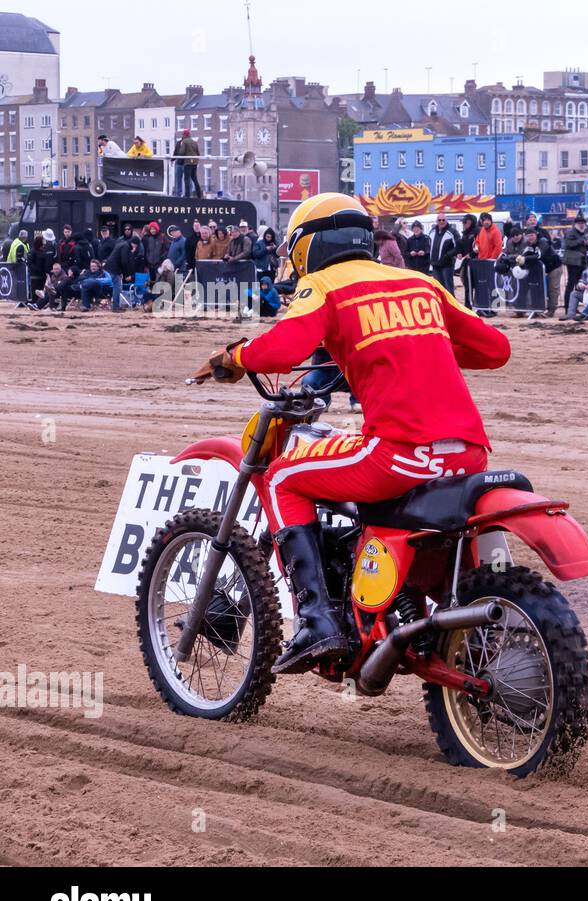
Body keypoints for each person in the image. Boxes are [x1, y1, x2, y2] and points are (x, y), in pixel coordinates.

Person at [190, 193, 511, 674]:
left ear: (306, 247)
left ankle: (318, 621)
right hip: (470, 453)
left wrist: (232, 358)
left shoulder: (324, 285)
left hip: (401, 454)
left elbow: (284, 347)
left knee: (281, 477)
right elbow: (495, 349)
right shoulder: (418, 282)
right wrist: (418, 342)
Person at [561, 213, 588, 308]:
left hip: (581, 262)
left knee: (578, 285)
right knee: (570, 285)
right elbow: (569, 244)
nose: (582, 224)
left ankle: (573, 307)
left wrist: (587, 243)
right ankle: (567, 307)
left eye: (583, 223)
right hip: (573, 263)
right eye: (580, 223)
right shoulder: (571, 232)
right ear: (576, 224)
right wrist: (582, 241)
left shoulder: (583, 233)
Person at [429, 215, 458, 292]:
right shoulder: (432, 231)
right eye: (439, 220)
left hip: (447, 265)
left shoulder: (452, 232)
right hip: (435, 264)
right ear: (436, 221)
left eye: (443, 220)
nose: (441, 222)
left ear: (446, 220)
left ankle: (450, 303)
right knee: (438, 287)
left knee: (448, 287)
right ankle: (440, 303)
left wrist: (448, 255)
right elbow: (429, 245)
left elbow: (458, 246)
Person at [174, 130, 202, 198]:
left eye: (183, 135)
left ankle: (187, 195)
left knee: (186, 179)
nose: (182, 136)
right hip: (194, 163)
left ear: (185, 135)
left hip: (187, 163)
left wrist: (178, 157)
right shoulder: (194, 142)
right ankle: (199, 194)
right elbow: (198, 153)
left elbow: (182, 152)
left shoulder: (184, 141)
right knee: (194, 179)